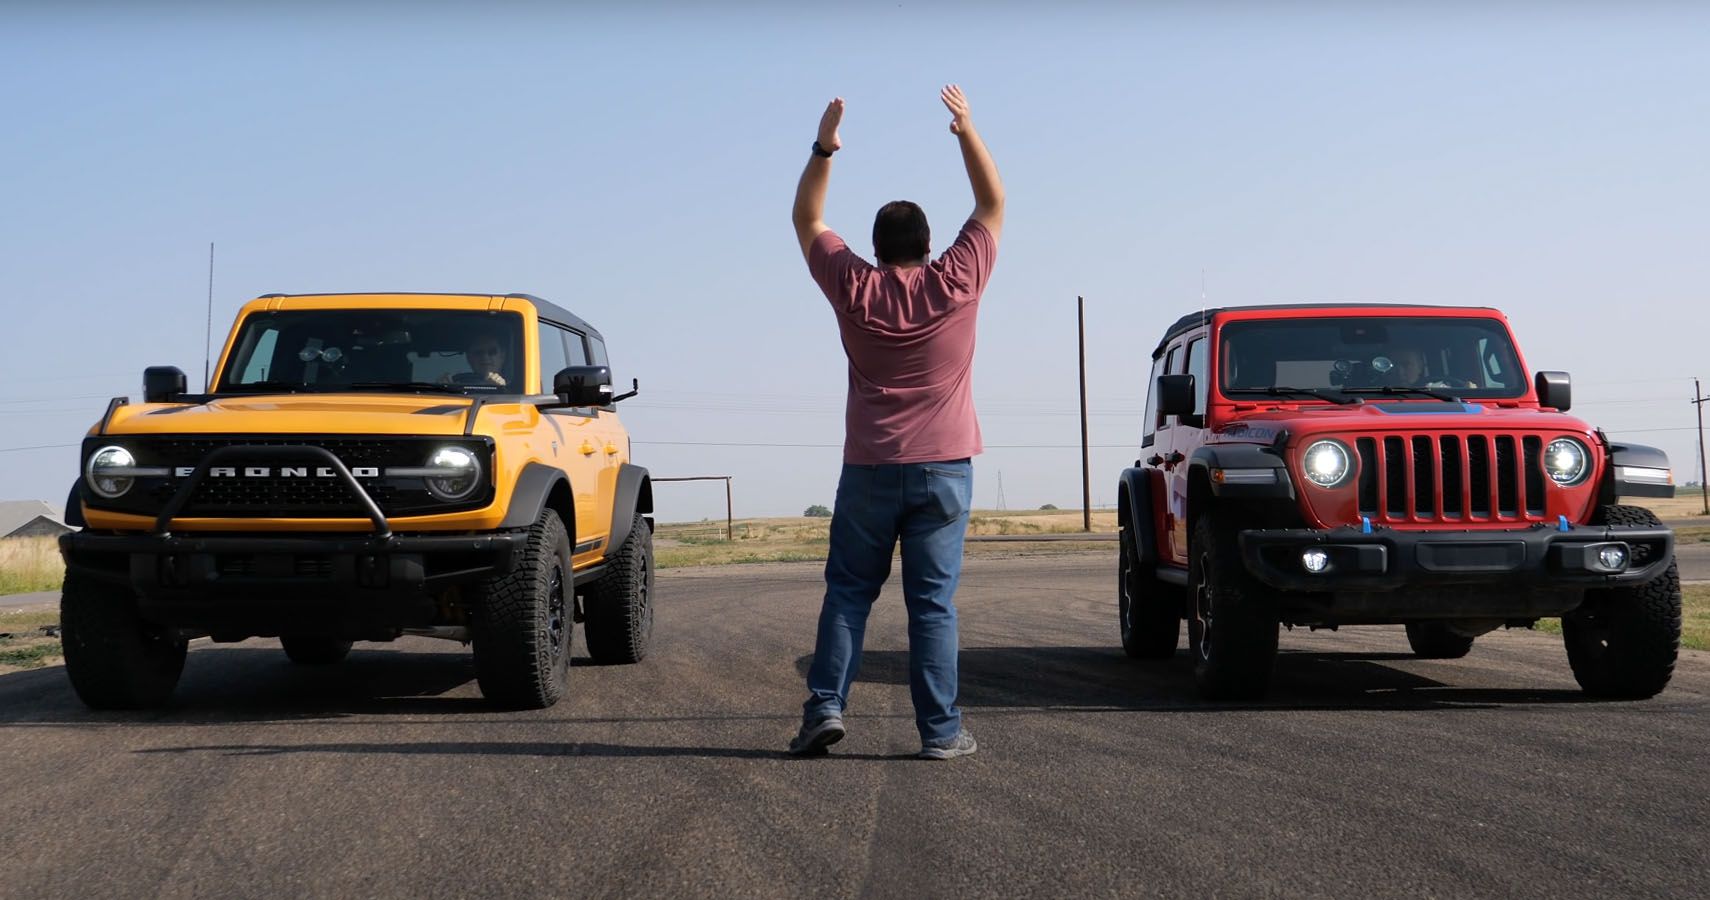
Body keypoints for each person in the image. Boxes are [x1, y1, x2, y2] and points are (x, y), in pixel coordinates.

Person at [786, 85, 1003, 760]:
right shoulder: (957, 279)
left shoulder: (855, 286)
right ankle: (939, 734)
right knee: (931, 605)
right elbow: (993, 204)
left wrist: (825, 147)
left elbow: (806, 217)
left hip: (870, 469)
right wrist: (965, 130)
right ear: (929, 244)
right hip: (944, 470)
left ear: (875, 250)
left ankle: (825, 707)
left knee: (849, 593)